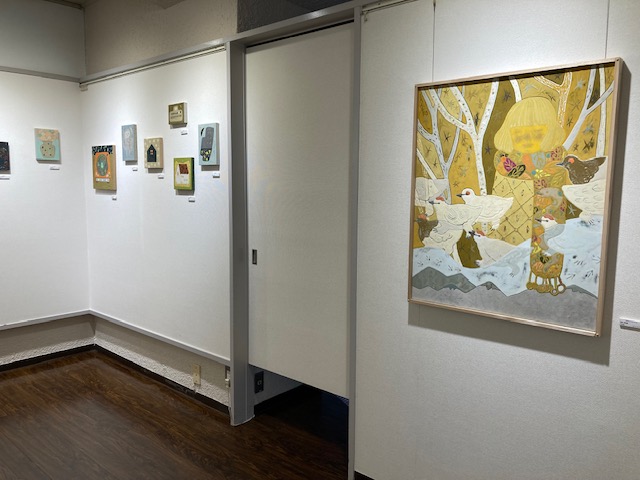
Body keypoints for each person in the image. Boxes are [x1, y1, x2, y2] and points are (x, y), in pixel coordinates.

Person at [493, 96, 570, 295]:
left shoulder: (556, 158)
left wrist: (535, 177)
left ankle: (546, 277)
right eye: (519, 134)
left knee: (547, 240)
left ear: (548, 132)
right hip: (518, 217)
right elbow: (503, 167)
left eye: (535, 133)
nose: (526, 139)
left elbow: (557, 180)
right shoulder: (508, 159)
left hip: (546, 212)